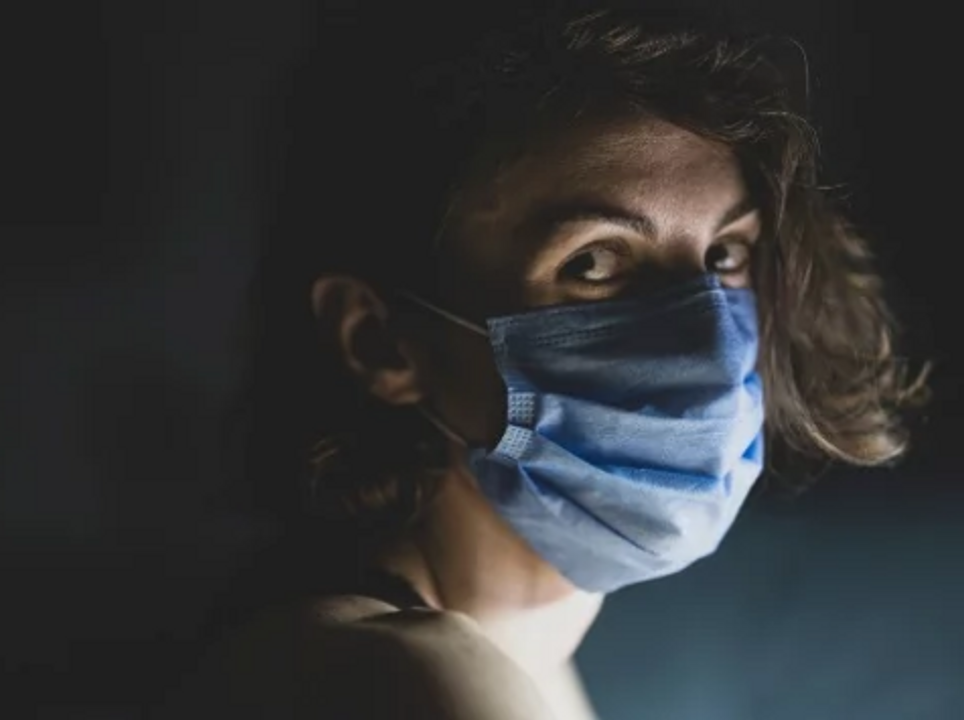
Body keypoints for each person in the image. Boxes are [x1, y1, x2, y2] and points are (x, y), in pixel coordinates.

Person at [154, 2, 928, 718]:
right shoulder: (409, 679)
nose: (707, 339)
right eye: (595, 262)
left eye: (726, 254)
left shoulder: (499, 650)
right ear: (381, 341)